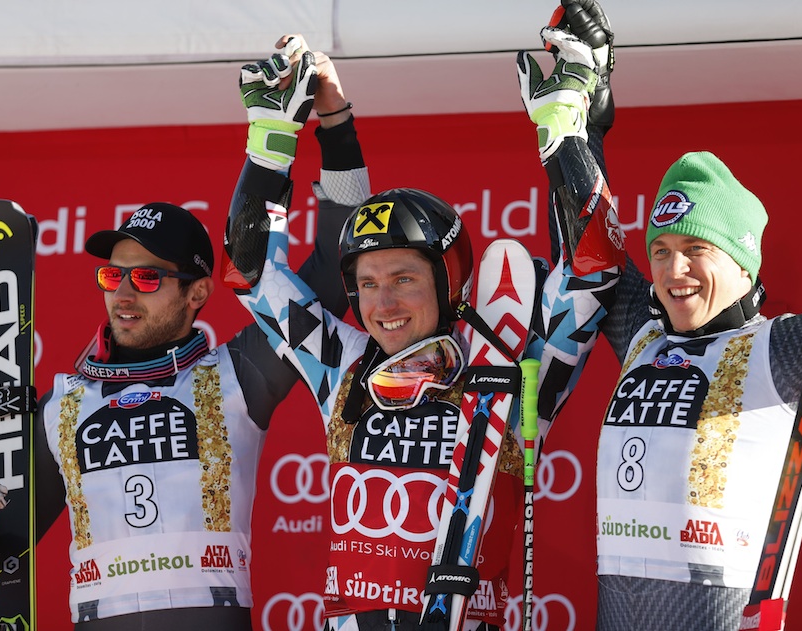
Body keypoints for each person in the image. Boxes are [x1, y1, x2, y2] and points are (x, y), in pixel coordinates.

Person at [0, 35, 364, 631]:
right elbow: (8, 536)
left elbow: (339, 273)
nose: (123, 293)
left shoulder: (239, 375)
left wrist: (337, 125)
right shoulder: (63, 404)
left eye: (149, 278)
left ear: (198, 293)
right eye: (112, 274)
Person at [222, 5, 623, 630]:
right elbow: (249, 269)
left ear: (449, 281)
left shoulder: (511, 374)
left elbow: (595, 267)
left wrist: (564, 136)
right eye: (368, 284)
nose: (383, 304)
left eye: (405, 280)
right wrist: (271, 142)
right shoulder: (342, 367)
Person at [523, 15, 802, 631]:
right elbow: (592, 252)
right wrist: (572, 130)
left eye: (696, 250)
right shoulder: (644, 334)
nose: (673, 269)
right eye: (661, 251)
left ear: (741, 262)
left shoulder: (779, 347)